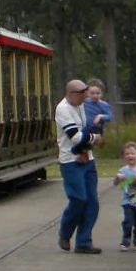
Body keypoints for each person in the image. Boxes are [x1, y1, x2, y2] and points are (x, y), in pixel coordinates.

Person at [55, 78, 104, 254]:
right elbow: (75, 136)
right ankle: (65, 232)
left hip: (86, 158)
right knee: (78, 198)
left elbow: (87, 127)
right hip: (70, 161)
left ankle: (84, 241)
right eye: (82, 93)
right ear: (70, 94)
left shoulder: (81, 105)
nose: (85, 97)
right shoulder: (63, 109)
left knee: (92, 202)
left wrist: (86, 148)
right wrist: (94, 138)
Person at [83, 79, 113, 154]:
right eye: (92, 93)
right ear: (87, 93)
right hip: (85, 128)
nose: (95, 95)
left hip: (96, 129)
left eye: (97, 93)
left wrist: (100, 116)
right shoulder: (84, 102)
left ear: (101, 94)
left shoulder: (104, 105)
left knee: (90, 147)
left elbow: (110, 117)